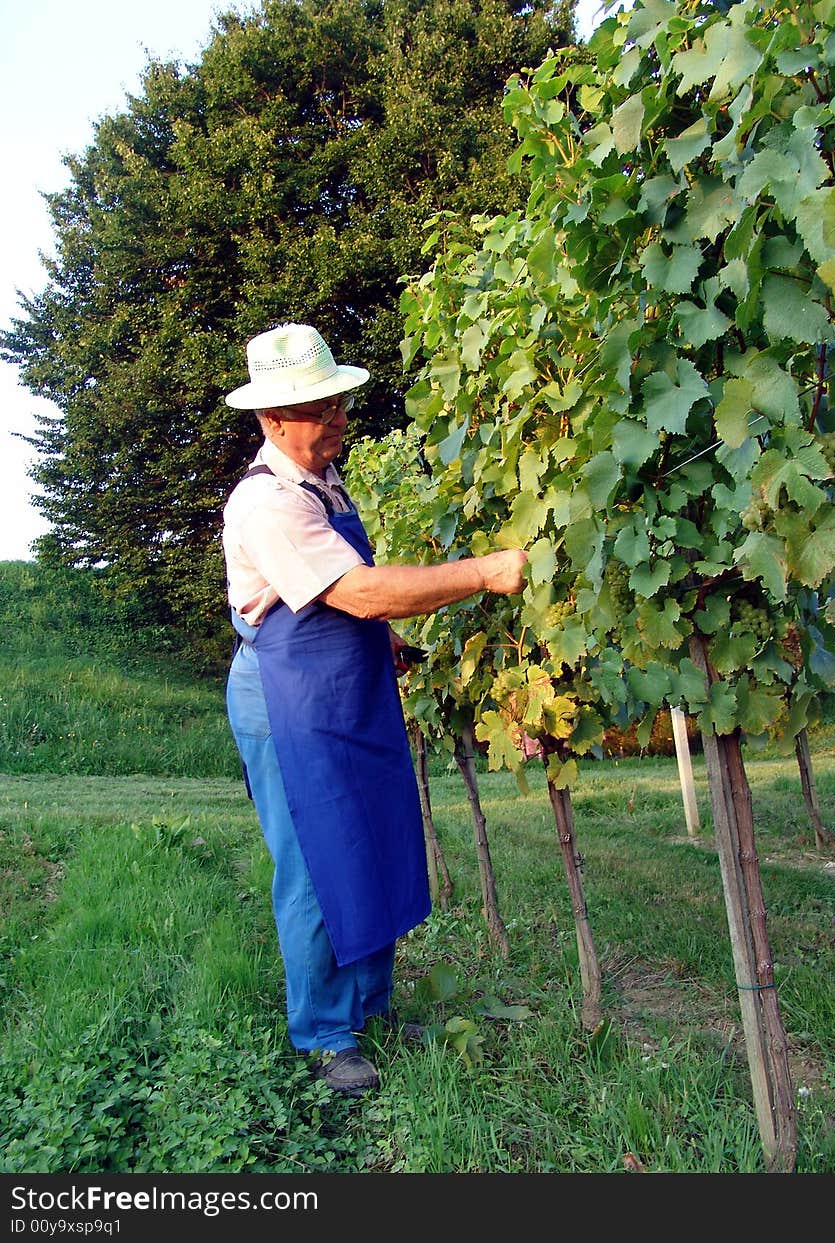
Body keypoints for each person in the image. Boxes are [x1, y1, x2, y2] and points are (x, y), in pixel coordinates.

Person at [222, 322, 527, 1096]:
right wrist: (484, 572)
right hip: (288, 701)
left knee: (372, 842)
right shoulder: (266, 502)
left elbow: (341, 604)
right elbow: (353, 591)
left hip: (345, 686)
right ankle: (326, 1035)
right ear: (272, 420)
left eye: (337, 402)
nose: (336, 419)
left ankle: (370, 1008)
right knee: (317, 861)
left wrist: (384, 647)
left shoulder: (325, 483)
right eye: (317, 408)